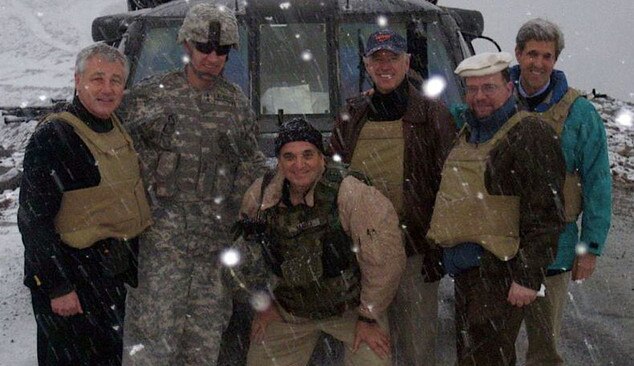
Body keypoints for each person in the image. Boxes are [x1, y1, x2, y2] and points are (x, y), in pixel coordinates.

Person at [118, 3, 266, 365]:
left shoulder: (235, 105)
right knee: (152, 347)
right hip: (160, 248)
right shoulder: (149, 99)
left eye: (222, 50)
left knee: (203, 346)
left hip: (213, 251)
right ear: (186, 45)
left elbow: (252, 166)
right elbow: (115, 157)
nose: (213, 57)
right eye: (204, 47)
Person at [227, 118, 406, 366]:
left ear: (322, 157)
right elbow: (243, 255)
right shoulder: (262, 196)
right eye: (289, 156)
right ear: (279, 161)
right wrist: (262, 302)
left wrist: (369, 317)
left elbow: (385, 260)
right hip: (289, 310)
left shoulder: (352, 193)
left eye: (307, 154)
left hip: (350, 310)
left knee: (374, 359)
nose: (299, 164)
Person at [427, 52, 566, 365]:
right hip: (467, 272)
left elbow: (546, 213)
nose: (479, 97)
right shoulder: (468, 132)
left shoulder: (530, 134)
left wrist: (528, 278)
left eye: (488, 87)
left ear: (509, 87)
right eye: (472, 89)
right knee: (471, 355)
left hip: (499, 273)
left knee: (486, 358)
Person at [18, 43, 152, 365]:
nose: (107, 89)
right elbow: (33, 219)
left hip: (108, 279)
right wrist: (57, 286)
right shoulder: (55, 136)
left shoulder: (115, 126)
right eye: (97, 78)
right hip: (73, 283)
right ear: (78, 81)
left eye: (116, 80)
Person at [330, 29, 456, 366]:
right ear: (367, 64)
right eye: (377, 59)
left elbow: (451, 187)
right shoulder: (352, 114)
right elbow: (332, 178)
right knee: (368, 351)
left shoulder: (433, 115)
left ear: (407, 62)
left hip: (414, 253)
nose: (385, 66)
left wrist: (438, 244)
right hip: (364, 257)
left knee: (417, 351)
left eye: (393, 58)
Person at [510, 18, 612, 365]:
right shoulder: (495, 97)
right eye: (532, 54)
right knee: (491, 342)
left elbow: (598, 180)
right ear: (518, 54)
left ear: (555, 60)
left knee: (543, 349)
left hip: (554, 250)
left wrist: (590, 247)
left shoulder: (579, 112)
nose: (538, 63)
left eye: (547, 56)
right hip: (498, 245)